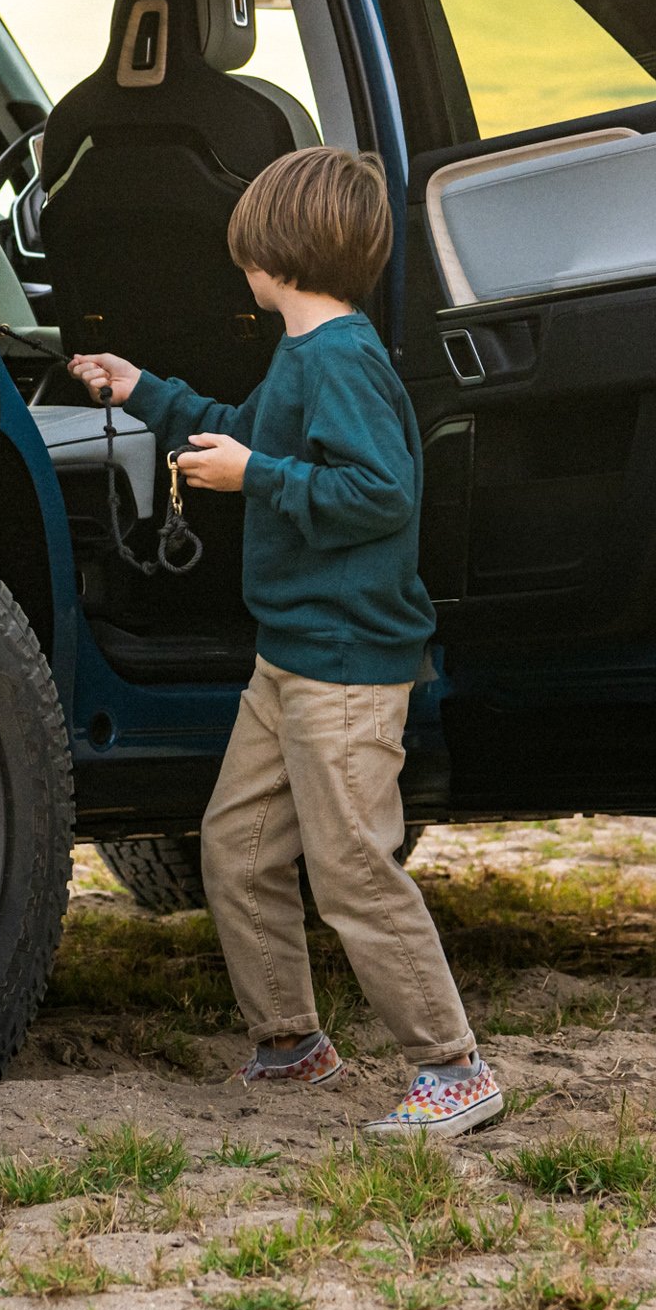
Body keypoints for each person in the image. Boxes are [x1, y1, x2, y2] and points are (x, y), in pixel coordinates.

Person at [65, 146, 499, 1139]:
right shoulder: (304, 354)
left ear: (274, 259)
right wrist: (144, 389)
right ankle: (290, 1041)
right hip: (289, 655)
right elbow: (243, 429)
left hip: (345, 666)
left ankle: (453, 1066)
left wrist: (255, 478)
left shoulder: (342, 360)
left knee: (352, 869)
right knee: (239, 847)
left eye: (246, 251)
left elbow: (380, 495)